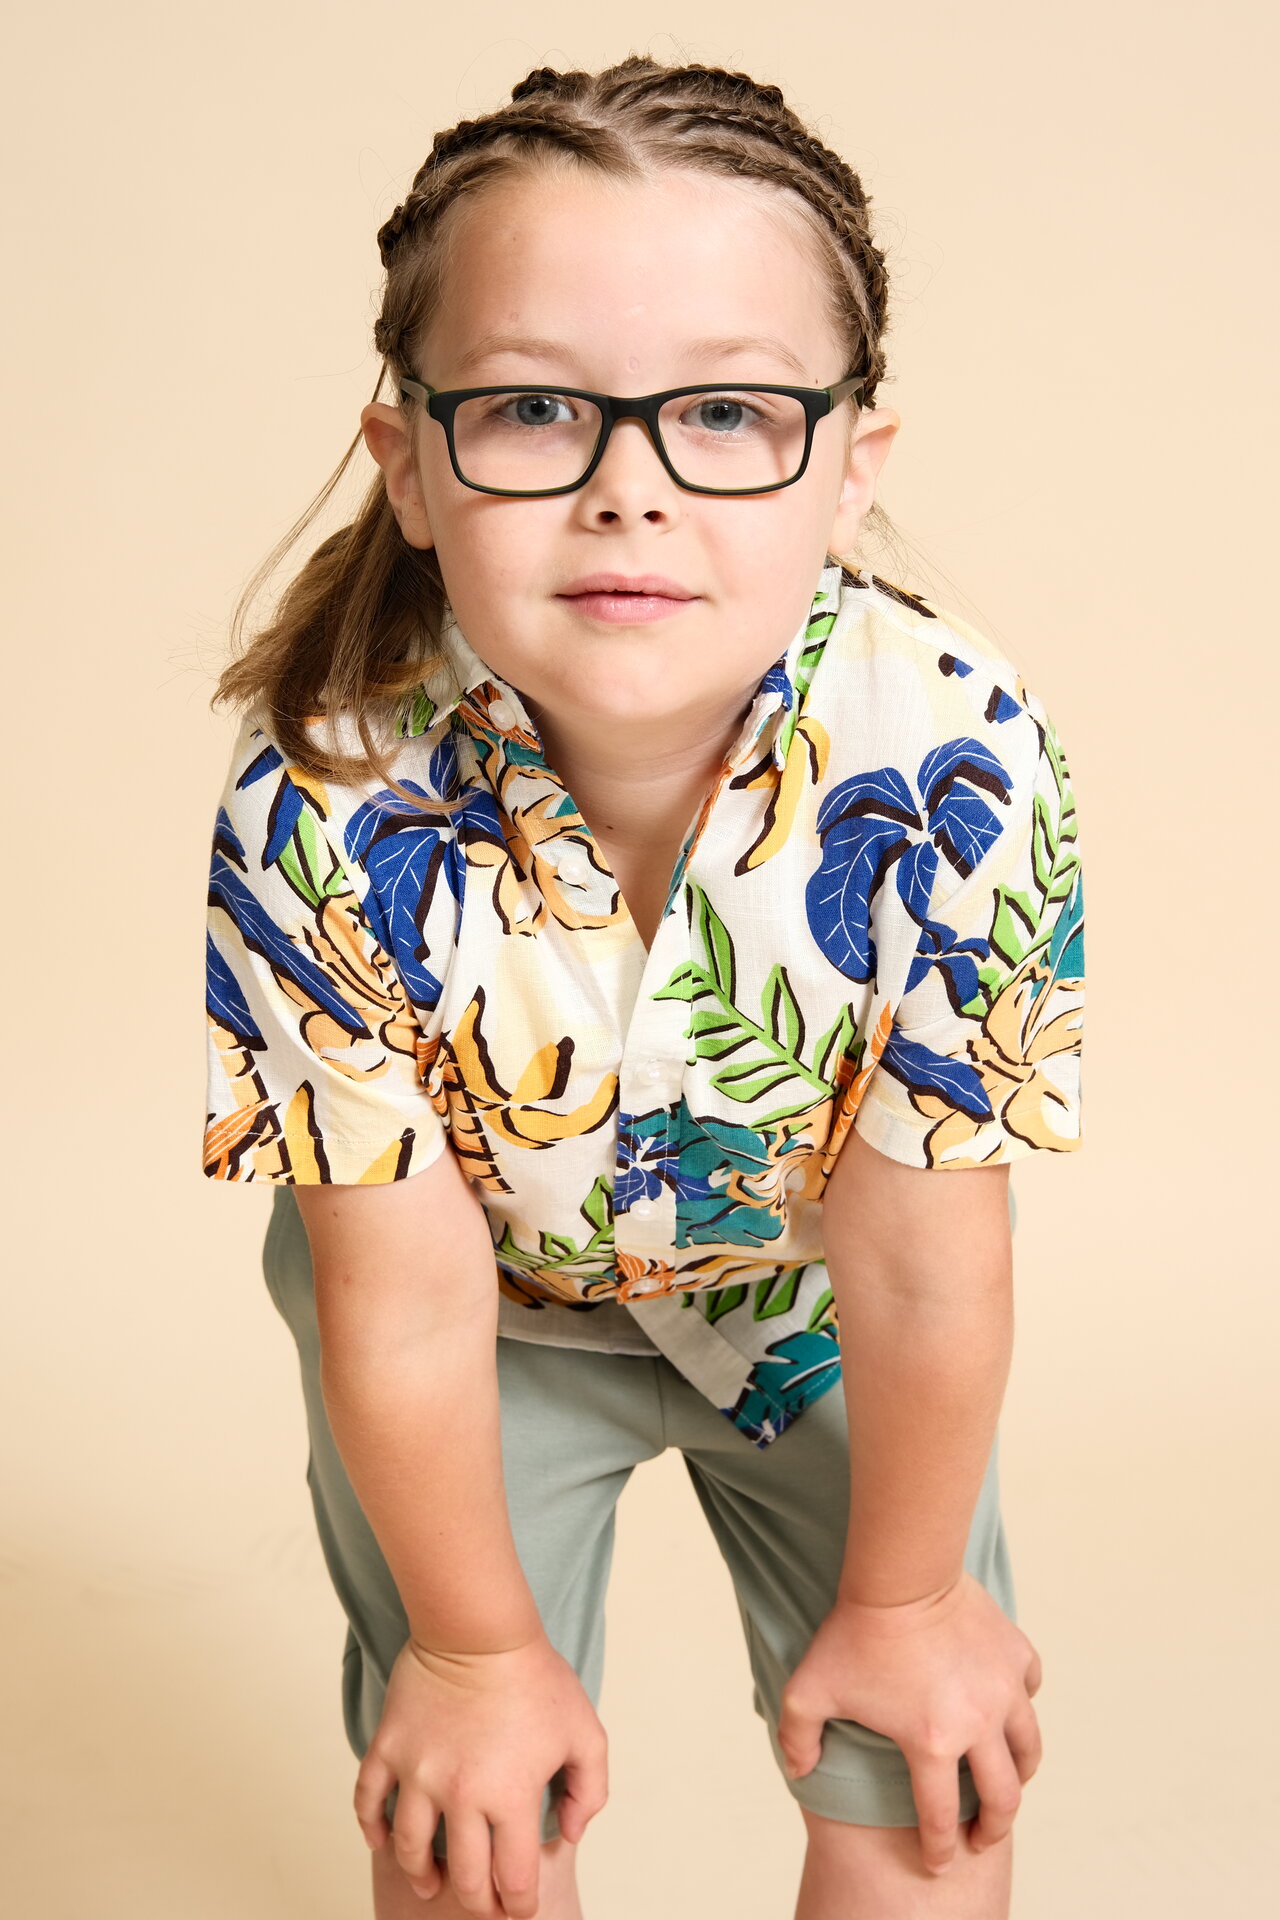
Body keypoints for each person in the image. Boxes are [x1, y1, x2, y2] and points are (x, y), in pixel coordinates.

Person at [202, 52, 1085, 1920]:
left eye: (734, 415)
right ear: (413, 467)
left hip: (821, 1299)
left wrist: (913, 1604)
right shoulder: (321, 807)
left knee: (925, 1776)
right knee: (469, 1813)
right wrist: (466, 1655)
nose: (630, 490)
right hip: (479, 1325)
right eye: (532, 410)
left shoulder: (960, 759)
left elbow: (926, 1248)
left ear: (850, 466)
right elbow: (404, 1286)